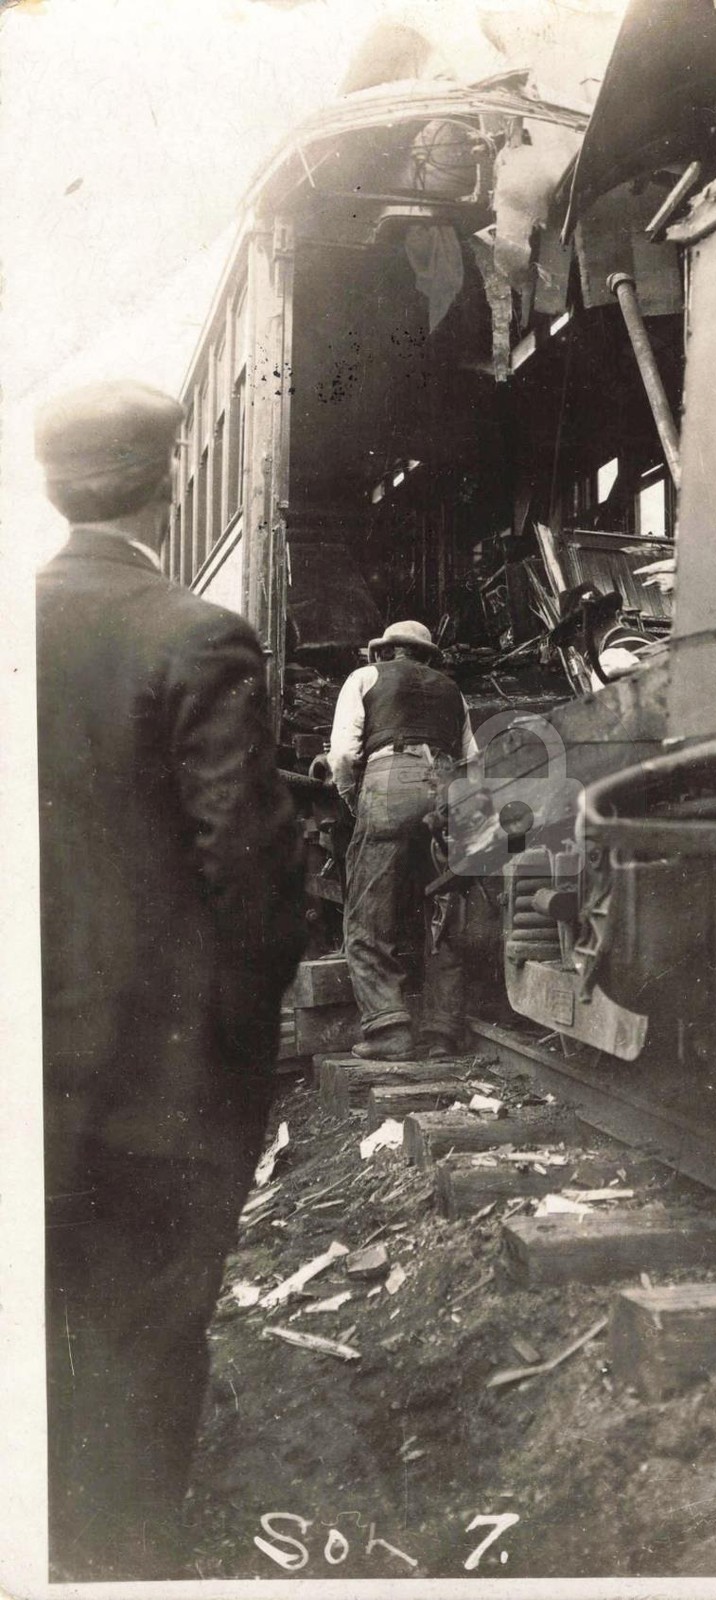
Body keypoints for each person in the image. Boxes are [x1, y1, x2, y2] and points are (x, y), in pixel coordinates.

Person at [35, 380, 307, 1580]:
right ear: (164, 483)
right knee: (145, 1335)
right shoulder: (193, 633)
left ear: (51, 487)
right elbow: (247, 872)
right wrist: (248, 1044)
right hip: (159, 1080)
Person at [326, 619, 476, 1060]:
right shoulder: (452, 691)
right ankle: (442, 1033)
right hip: (446, 788)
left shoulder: (365, 677)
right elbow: (474, 761)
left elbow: (342, 754)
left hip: (388, 781)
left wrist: (355, 800)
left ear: (386, 651)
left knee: (368, 916)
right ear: (427, 656)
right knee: (444, 912)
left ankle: (389, 1029)